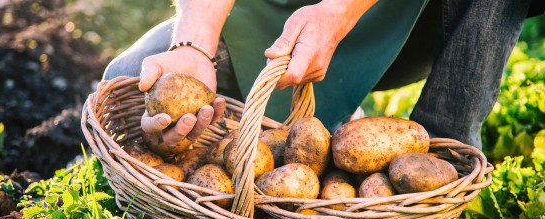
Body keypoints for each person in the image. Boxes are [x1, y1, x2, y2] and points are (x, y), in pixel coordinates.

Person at [103, 0, 541, 150]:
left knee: (422, 169)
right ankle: (334, 111)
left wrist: (337, 12)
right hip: (275, 16)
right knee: (124, 79)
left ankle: (446, 145)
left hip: (410, 17)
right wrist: (194, 45)